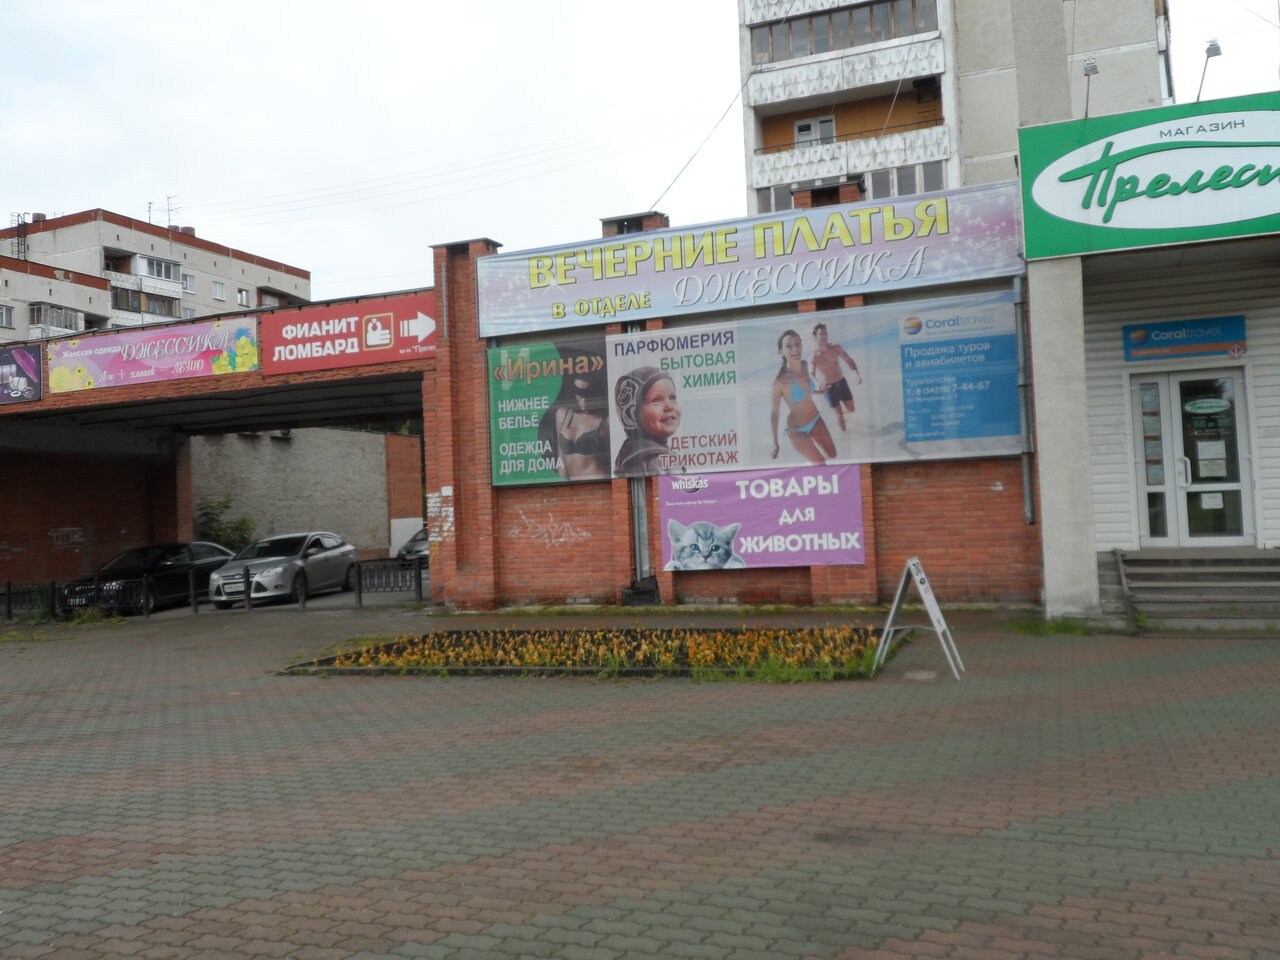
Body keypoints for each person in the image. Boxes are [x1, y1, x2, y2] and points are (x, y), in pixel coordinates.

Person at [770, 329, 836, 465]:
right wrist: (775, 443)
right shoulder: (780, 381)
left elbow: (806, 392)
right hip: (797, 430)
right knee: (821, 464)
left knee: (833, 455)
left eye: (797, 344)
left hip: (815, 419)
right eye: (789, 346)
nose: (795, 349)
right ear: (781, 351)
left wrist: (820, 391)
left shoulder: (805, 365)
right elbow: (774, 414)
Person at [538, 362, 610, 480]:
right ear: (574, 391)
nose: (584, 399)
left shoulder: (605, 420)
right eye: (580, 393)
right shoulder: (563, 415)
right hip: (573, 487)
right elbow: (561, 461)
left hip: (598, 483)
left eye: (589, 393)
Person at [613, 366, 682, 476]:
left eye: (672, 397)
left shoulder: (628, 453)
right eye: (656, 400)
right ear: (631, 414)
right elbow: (674, 486)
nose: (669, 406)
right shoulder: (657, 460)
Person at [810, 321, 861, 431]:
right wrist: (819, 384)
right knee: (839, 416)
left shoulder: (835, 347)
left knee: (852, 409)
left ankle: (841, 415)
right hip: (829, 388)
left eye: (825, 333)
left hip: (841, 382)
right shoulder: (815, 356)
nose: (824, 336)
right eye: (821, 334)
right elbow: (812, 374)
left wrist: (856, 373)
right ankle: (845, 434)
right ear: (815, 337)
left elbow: (848, 359)